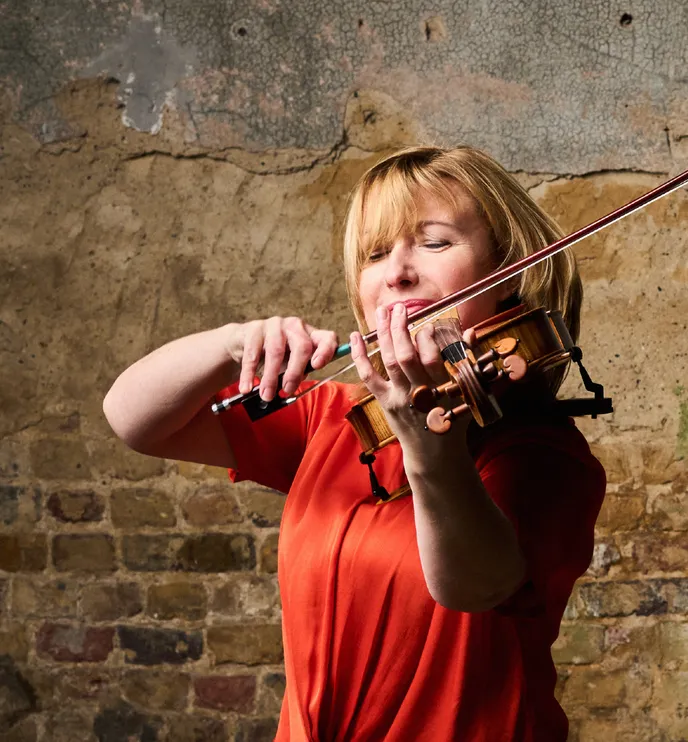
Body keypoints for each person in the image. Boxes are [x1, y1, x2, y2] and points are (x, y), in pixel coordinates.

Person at [103, 146, 608, 741]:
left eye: (435, 242)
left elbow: (474, 586)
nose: (397, 272)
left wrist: (428, 445)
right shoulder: (335, 418)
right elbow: (133, 418)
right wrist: (232, 343)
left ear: (510, 272)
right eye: (375, 254)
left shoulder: (542, 455)